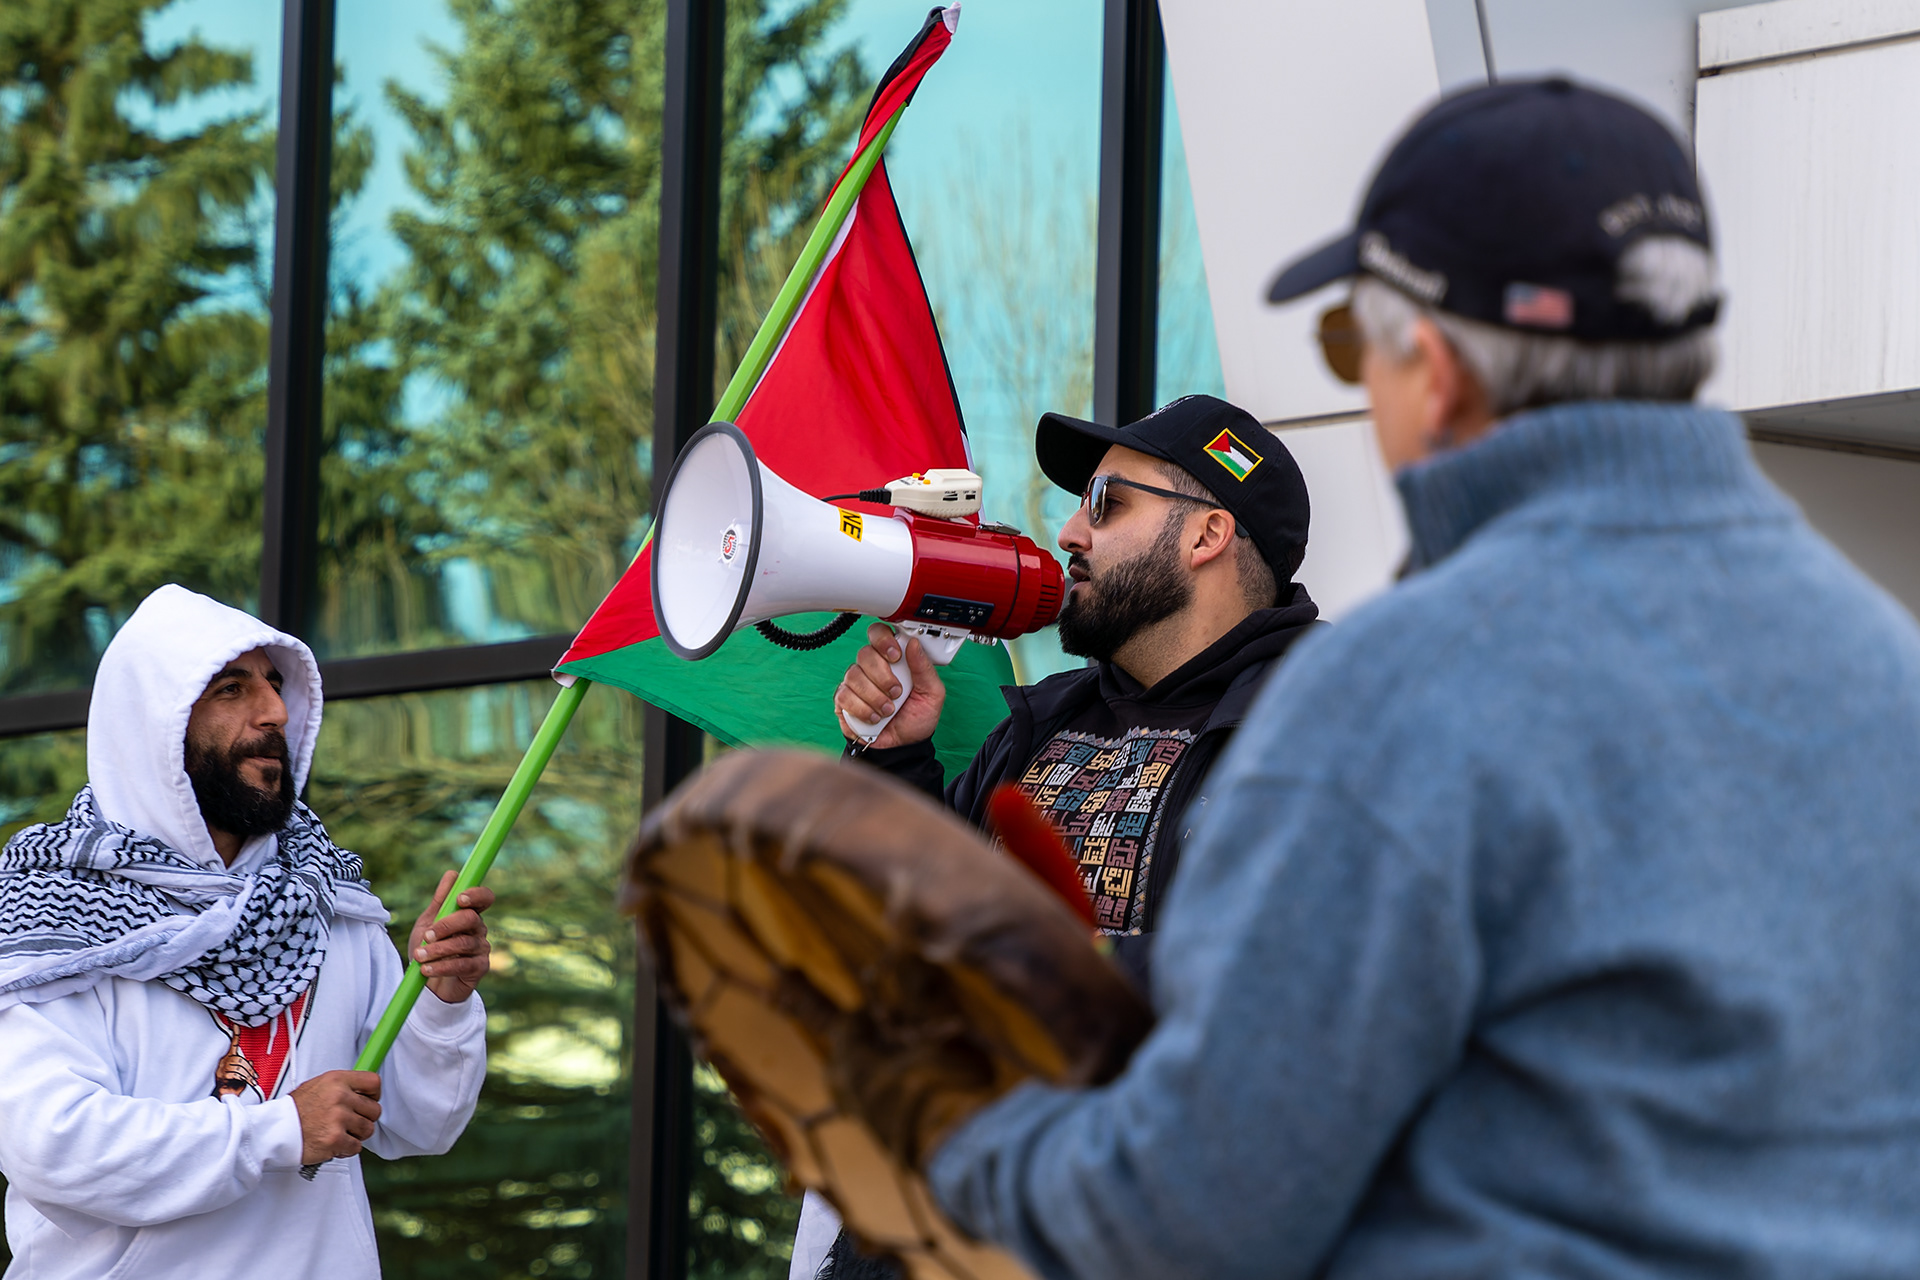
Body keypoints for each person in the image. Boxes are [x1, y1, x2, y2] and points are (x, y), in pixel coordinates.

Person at [916, 79, 1920, 1279]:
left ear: (1432, 367)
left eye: (1355, 343)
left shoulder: (1395, 694)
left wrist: (940, 1115)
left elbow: (1194, 1209)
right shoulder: (1886, 667)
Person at [798, 394, 1319, 1279]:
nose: (1072, 531)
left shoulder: (1322, 724)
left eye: (1108, 503)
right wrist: (893, 767)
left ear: (1207, 536)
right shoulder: (1042, 725)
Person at [0, 584, 493, 1279]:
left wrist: (440, 1002)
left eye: (273, 685)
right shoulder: (51, 914)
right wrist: (278, 1131)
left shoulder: (326, 901)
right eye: (232, 690)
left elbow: (422, 1122)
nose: (274, 712)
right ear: (155, 725)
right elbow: (51, 1144)